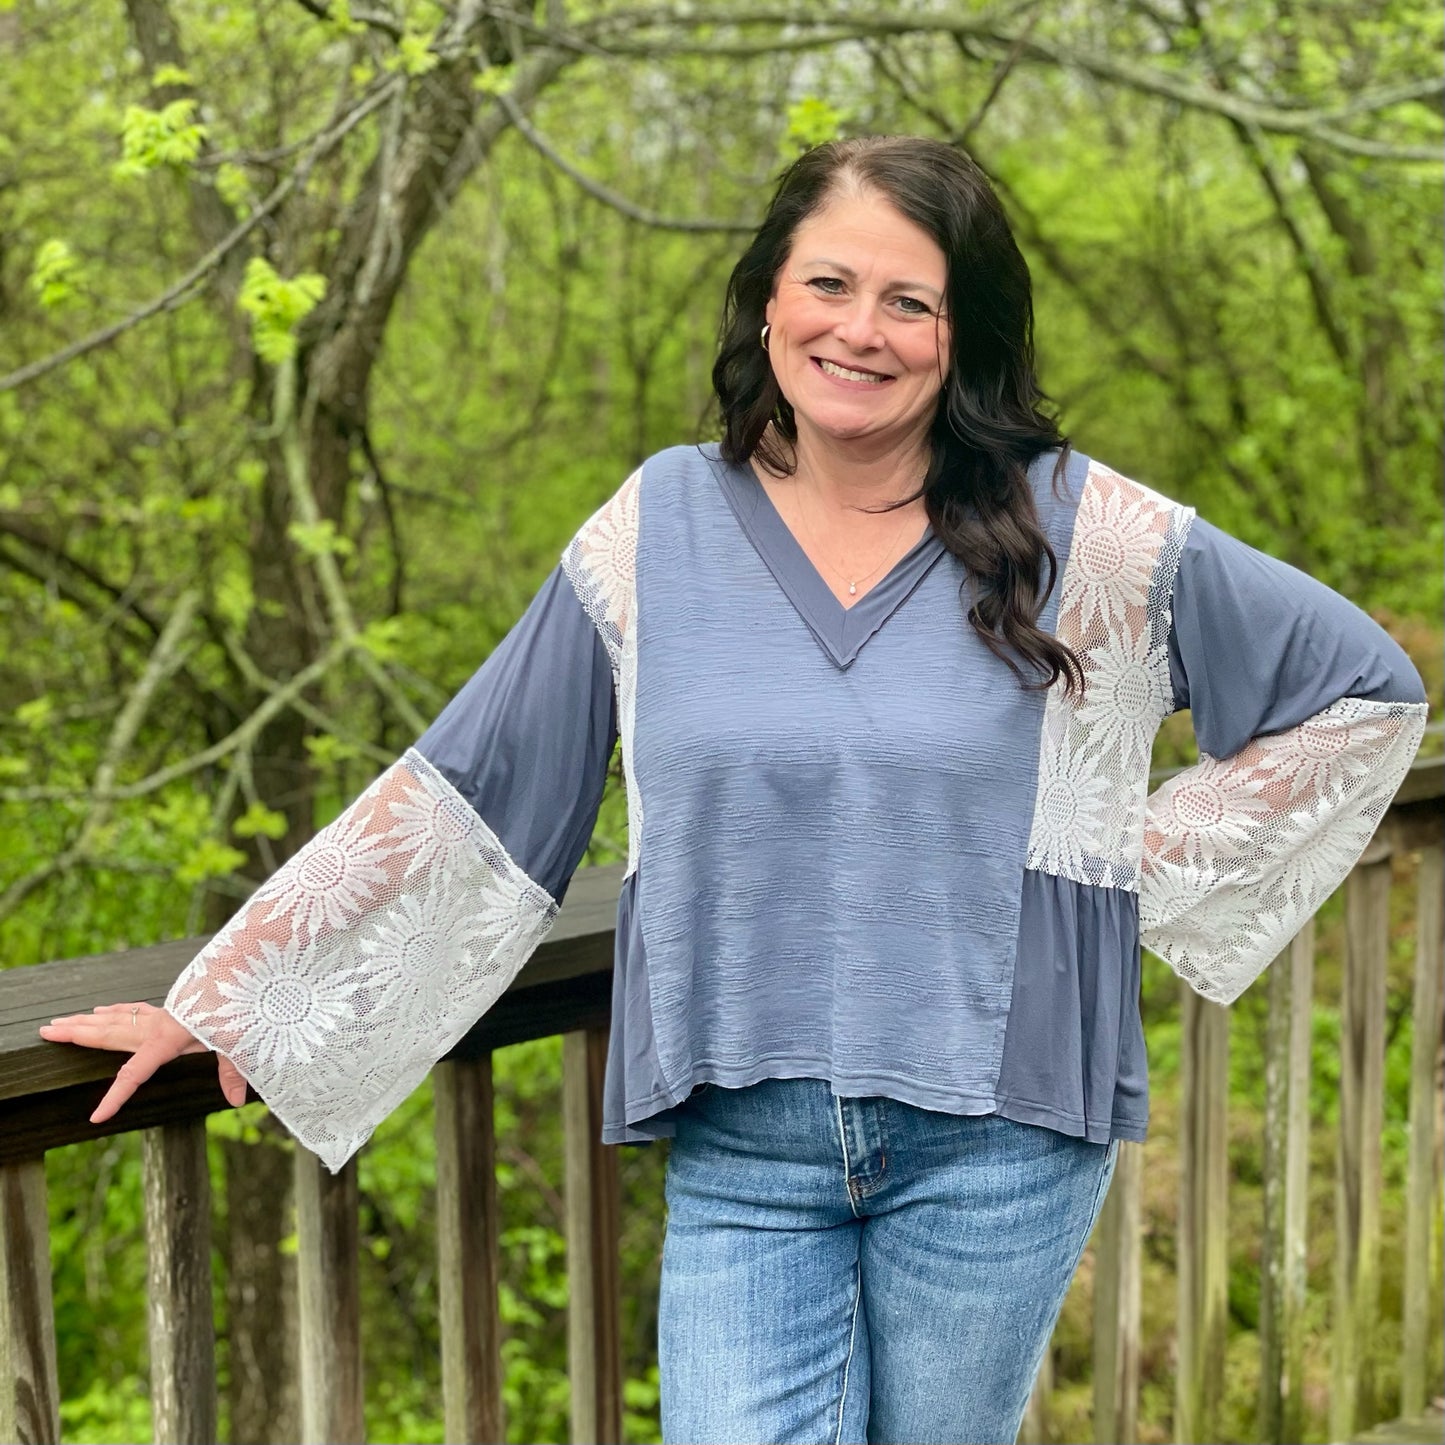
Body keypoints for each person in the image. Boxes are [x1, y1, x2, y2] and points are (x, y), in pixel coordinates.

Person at [41, 136, 1428, 1444]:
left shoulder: (1092, 532)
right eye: (827, 282)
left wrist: (1119, 857)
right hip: (740, 1142)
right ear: (768, 299)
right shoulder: (659, 522)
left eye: (909, 301)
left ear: (964, 337)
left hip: (999, 1133)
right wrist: (231, 996)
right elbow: (482, 788)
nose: (858, 329)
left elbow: (1360, 693)